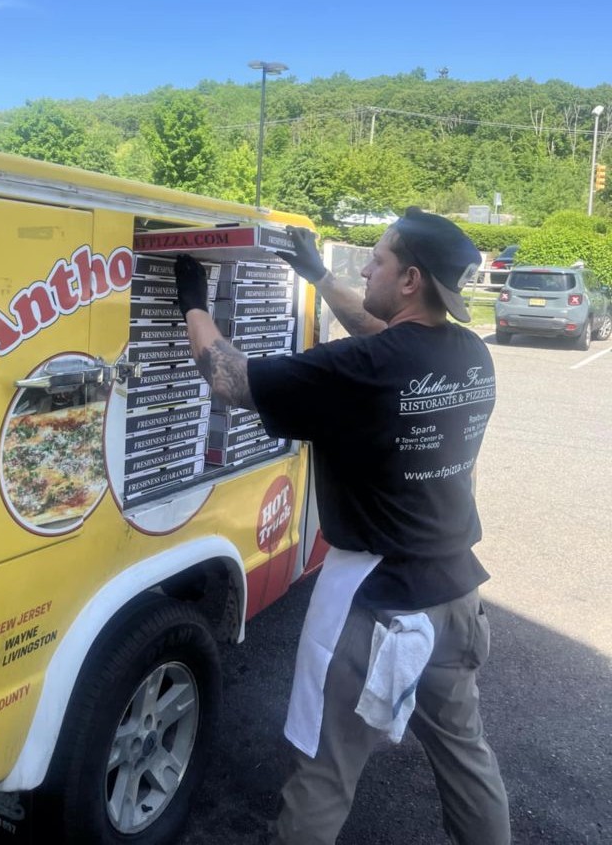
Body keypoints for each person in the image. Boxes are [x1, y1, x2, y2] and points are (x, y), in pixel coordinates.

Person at [173, 207, 511, 845]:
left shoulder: (359, 369)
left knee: (324, 772)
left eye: (377, 261)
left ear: (410, 278)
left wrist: (193, 303)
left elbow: (230, 378)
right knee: (466, 757)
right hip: (458, 599)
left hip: (377, 608)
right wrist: (319, 276)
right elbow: (384, 333)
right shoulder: (470, 355)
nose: (369, 268)